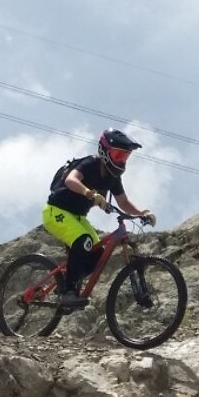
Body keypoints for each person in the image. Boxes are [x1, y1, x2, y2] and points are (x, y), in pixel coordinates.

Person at [43, 128, 157, 308]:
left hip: (78, 217)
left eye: (124, 157)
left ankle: (66, 283)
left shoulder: (113, 178)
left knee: (97, 254)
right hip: (56, 211)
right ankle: (68, 292)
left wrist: (142, 213)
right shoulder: (90, 164)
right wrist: (89, 193)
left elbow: (124, 202)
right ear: (104, 151)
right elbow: (71, 180)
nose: (121, 160)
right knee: (84, 240)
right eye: (118, 155)